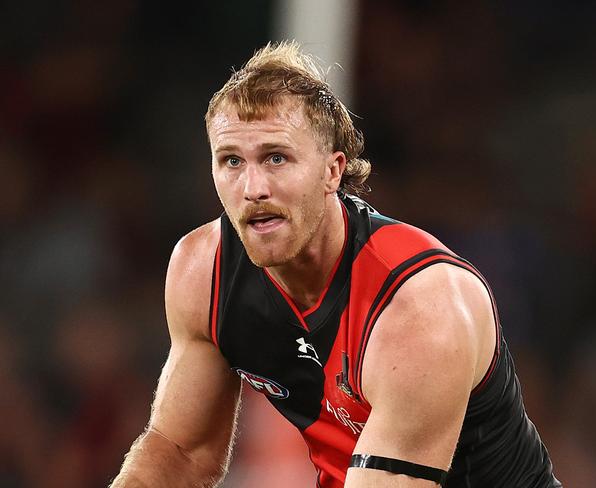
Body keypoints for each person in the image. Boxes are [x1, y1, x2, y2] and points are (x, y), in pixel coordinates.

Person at [111, 41, 561, 488]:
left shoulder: (418, 306)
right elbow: (180, 453)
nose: (253, 188)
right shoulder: (203, 271)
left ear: (332, 171)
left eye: (276, 158)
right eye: (231, 160)